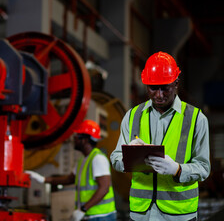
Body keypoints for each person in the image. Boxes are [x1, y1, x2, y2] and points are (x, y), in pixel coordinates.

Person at [110, 51, 210, 221]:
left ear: (176, 83)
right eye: (153, 88)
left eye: (165, 88)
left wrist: (178, 170)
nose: (159, 95)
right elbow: (115, 158)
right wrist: (127, 157)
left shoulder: (196, 119)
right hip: (142, 213)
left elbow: (203, 167)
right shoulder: (132, 116)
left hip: (179, 214)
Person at [26, 120, 116, 221]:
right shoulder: (82, 160)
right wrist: (43, 179)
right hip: (91, 215)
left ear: (85, 140)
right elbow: (69, 179)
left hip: (102, 216)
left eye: (76, 136)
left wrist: (83, 209)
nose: (74, 139)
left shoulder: (98, 159)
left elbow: (104, 188)